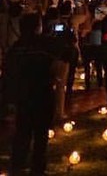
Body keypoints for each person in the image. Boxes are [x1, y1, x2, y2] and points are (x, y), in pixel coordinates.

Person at [4, 12, 66, 176]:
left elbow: (8, 74)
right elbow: (59, 61)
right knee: (40, 134)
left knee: (22, 132)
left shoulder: (16, 48)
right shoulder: (45, 45)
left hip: (23, 96)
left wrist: (10, 99)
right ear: (38, 27)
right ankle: (37, 168)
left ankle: (17, 165)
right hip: (42, 94)